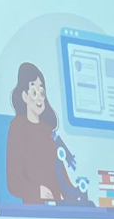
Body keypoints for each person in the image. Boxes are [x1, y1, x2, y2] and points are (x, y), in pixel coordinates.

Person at [5, 62, 84, 203]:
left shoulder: (47, 131)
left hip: (58, 208)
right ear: (24, 96)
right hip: (35, 210)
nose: (40, 98)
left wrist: (79, 197)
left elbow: (62, 177)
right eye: (34, 93)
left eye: (42, 93)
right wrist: (37, 190)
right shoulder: (17, 127)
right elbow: (14, 183)